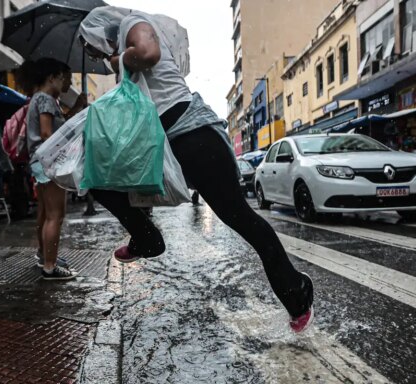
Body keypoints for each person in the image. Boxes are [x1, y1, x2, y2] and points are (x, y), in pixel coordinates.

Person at [79, 7, 313, 332]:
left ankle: (296, 292)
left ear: (100, 33)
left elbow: (148, 53)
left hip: (194, 136)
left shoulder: (133, 25)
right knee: (96, 177)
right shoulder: (123, 49)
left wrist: (118, 62)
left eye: (92, 47)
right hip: (166, 142)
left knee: (238, 217)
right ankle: (146, 238)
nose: (95, 55)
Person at [27, 58, 87, 280]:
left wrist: (78, 107)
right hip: (49, 163)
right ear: (52, 77)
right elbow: (46, 133)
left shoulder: (38, 98)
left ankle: (44, 256)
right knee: (55, 216)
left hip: (38, 163)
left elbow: (57, 127)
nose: (67, 84)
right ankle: (50, 267)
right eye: (64, 79)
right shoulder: (47, 99)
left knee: (44, 213)